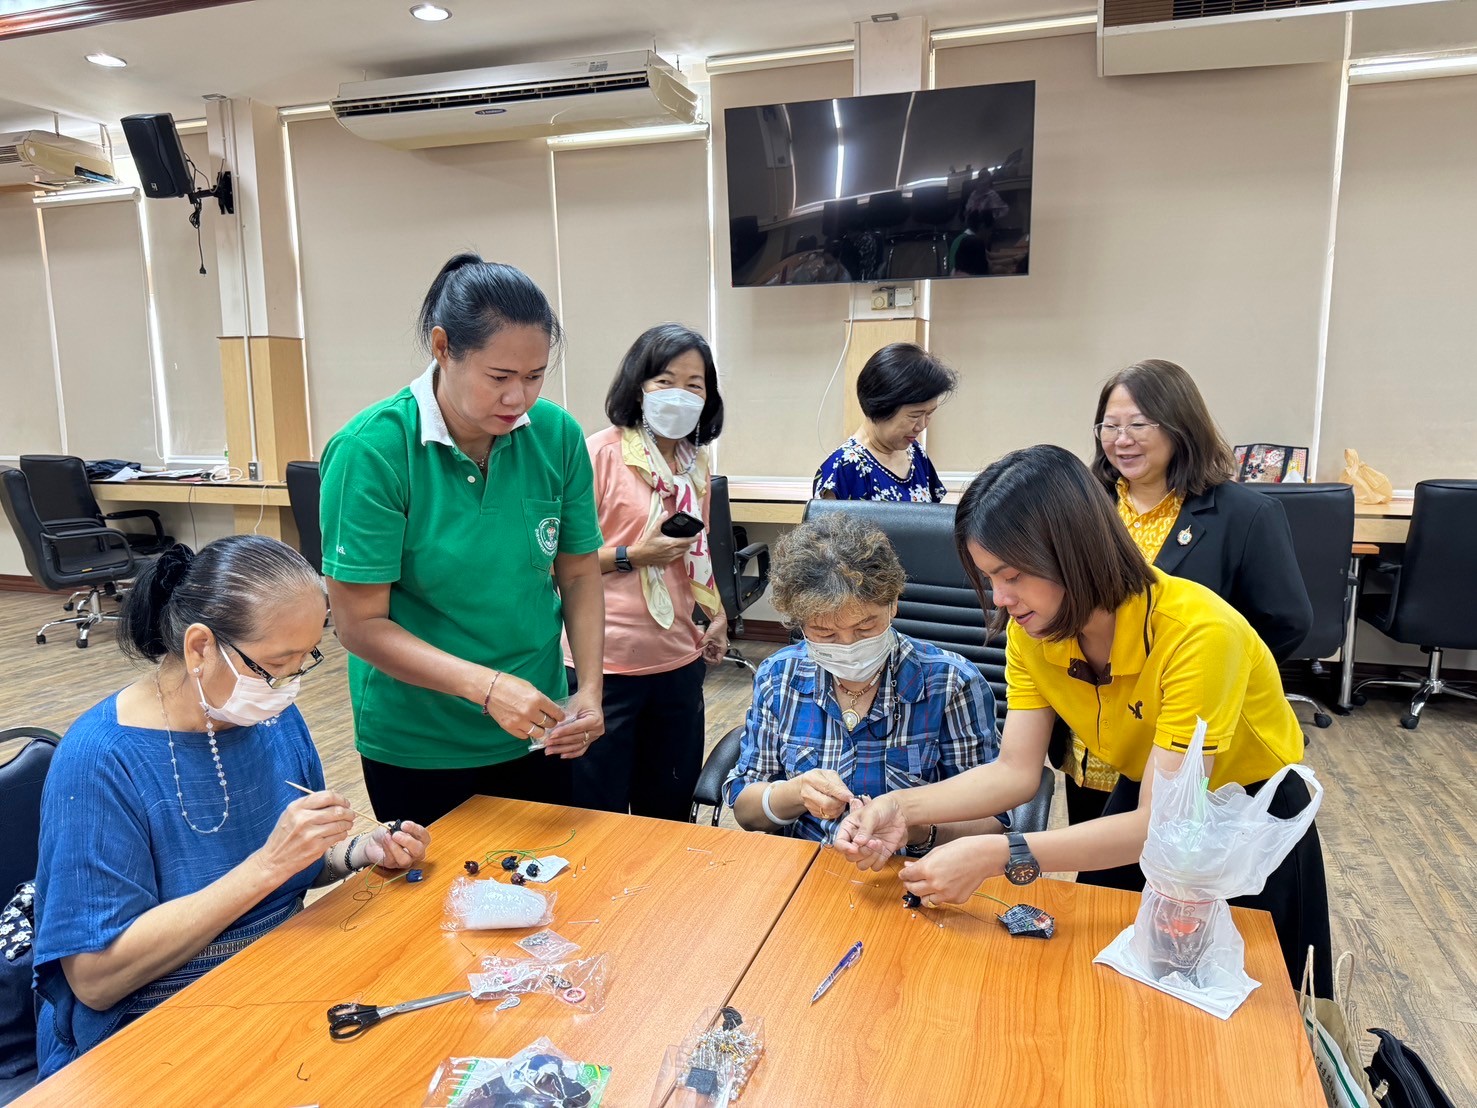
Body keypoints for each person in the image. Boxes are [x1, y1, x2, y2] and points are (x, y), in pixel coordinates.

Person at [836, 446, 1332, 993]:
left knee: (1249, 1012)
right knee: (1105, 990)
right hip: (1149, 798)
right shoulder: (1033, 632)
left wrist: (1000, 854)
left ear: (1075, 552)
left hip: (1247, 819)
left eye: (1013, 575)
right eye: (988, 577)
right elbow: (1015, 772)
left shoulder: (1198, 633)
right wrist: (899, 807)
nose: (1001, 598)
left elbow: (1162, 825)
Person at [31, 537, 430, 1078]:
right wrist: (267, 864)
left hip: (279, 973)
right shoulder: (101, 761)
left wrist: (360, 851)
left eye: (306, 660)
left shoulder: (266, 716)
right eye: (275, 665)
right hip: (155, 1027)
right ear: (200, 647)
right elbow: (97, 980)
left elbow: (294, 869)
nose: (288, 686)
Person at [320, 254, 606, 828]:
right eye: (499, 377)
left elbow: (577, 573)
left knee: (547, 875)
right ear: (443, 347)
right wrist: (487, 688)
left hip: (538, 727)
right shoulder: (372, 451)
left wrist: (590, 691)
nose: (518, 398)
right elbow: (360, 625)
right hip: (420, 740)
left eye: (534, 376)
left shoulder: (557, 436)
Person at [1067, 358, 1312, 823]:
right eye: (1110, 426)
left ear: (1180, 426)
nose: (1122, 439)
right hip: (1094, 736)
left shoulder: (1245, 514)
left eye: (1138, 424)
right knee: (1091, 857)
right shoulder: (1083, 506)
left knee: (1165, 850)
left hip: (1184, 737)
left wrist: (1213, 680)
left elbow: (1286, 621)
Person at [724, 513, 1002, 846]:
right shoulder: (779, 677)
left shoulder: (952, 684)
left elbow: (993, 821)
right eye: (824, 632)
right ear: (800, 623)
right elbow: (745, 809)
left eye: (865, 627)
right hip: (807, 863)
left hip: (914, 868)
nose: (848, 646)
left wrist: (913, 831)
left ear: (893, 603)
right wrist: (794, 793)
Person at [566, 323, 727, 820]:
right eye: (665, 381)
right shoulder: (598, 455)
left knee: (669, 812)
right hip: (604, 665)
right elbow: (558, 564)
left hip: (677, 659)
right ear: (638, 387)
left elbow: (697, 550)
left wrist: (716, 614)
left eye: (694, 385)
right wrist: (634, 555)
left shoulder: (694, 465)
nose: (680, 394)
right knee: (599, 813)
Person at [813, 343, 953, 504]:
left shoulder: (916, 453)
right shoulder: (843, 468)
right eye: (914, 415)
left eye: (929, 413)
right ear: (880, 407)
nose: (922, 426)